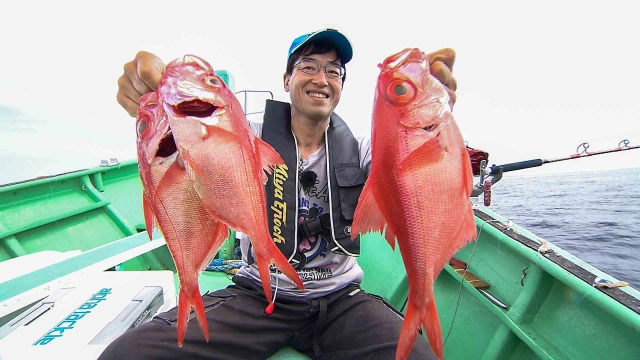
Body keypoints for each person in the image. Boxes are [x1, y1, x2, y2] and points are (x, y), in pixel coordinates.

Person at [103, 28, 458, 360]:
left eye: (333, 72)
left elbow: (416, 175)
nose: (321, 79)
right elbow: (188, 145)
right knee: (128, 354)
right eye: (308, 67)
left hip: (341, 300)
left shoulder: (365, 150)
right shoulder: (243, 137)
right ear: (287, 80)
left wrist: (431, 119)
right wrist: (152, 97)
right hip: (258, 296)